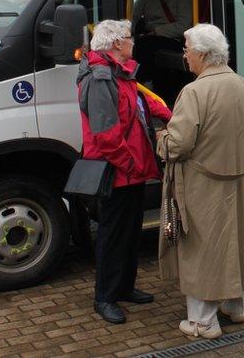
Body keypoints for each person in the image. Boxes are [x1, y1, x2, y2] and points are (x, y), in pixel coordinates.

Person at [156, 24, 244, 340]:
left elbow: (179, 145)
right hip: (239, 180)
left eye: (186, 48)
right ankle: (235, 306)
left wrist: (161, 137)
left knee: (201, 249)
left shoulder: (194, 92)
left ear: (202, 53)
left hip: (201, 185)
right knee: (234, 242)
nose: (184, 55)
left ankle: (203, 321)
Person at [77, 19, 172, 324]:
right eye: (130, 38)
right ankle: (104, 297)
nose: (134, 41)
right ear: (117, 43)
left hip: (130, 171)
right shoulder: (101, 78)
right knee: (112, 235)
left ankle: (125, 287)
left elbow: (144, 105)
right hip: (118, 170)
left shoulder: (121, 73)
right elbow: (106, 136)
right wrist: (130, 164)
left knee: (129, 232)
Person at [133, 0, 194, 101]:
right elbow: (134, 15)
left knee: (145, 46)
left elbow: (184, 25)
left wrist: (157, 32)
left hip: (175, 38)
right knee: (140, 45)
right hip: (151, 37)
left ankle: (137, 84)